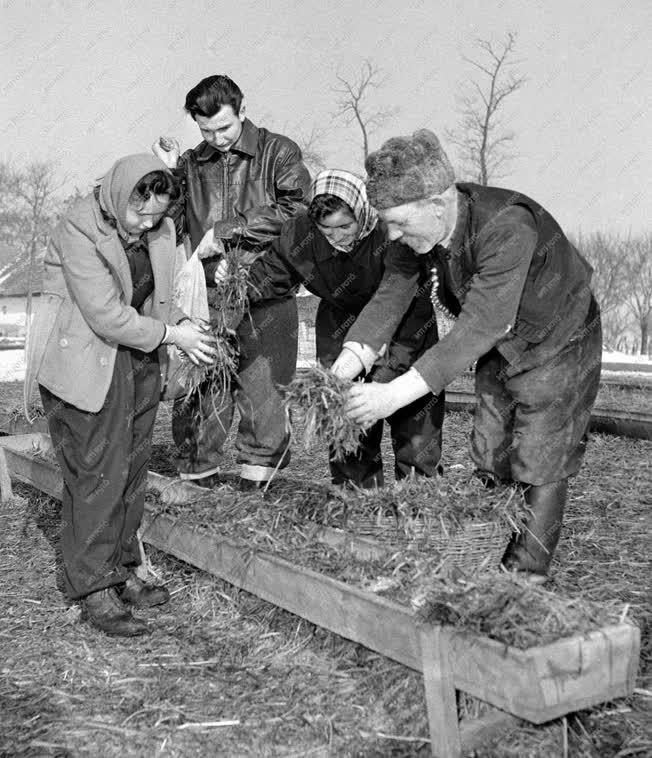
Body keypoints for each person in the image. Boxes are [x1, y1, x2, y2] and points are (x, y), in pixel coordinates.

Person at [333, 130, 601, 581]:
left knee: (539, 455)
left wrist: (390, 396)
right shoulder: (412, 235)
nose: (391, 233)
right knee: (491, 448)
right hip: (499, 339)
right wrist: (343, 369)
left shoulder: (505, 226)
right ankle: (483, 548)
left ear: (438, 203)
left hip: (559, 338)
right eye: (386, 222)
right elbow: (389, 299)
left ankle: (524, 577)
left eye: (398, 221)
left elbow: (480, 324)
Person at [24, 155, 216, 636]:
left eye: (158, 212)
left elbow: (160, 296)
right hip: (86, 362)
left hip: (138, 358)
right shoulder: (78, 229)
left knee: (131, 470)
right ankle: (92, 587)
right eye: (141, 212)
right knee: (97, 475)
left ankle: (124, 566)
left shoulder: (160, 228)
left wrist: (178, 326)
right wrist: (173, 335)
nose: (149, 221)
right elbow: (106, 314)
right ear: (118, 197)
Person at [153, 74, 311, 490]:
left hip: (266, 292)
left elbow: (298, 209)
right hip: (207, 299)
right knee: (201, 392)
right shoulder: (193, 162)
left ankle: (257, 488)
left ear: (242, 110)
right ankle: (195, 481)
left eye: (224, 127)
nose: (218, 139)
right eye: (206, 131)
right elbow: (169, 219)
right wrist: (169, 175)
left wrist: (227, 230)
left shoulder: (278, 152)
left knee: (265, 395)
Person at [240, 169, 444, 487]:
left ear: (362, 214)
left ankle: (421, 501)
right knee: (348, 419)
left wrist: (383, 378)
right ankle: (358, 500)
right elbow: (271, 274)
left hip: (406, 323)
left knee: (414, 424)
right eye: (326, 230)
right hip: (339, 324)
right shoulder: (300, 235)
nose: (337, 237)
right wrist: (235, 284)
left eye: (345, 226)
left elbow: (397, 295)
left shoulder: (390, 232)